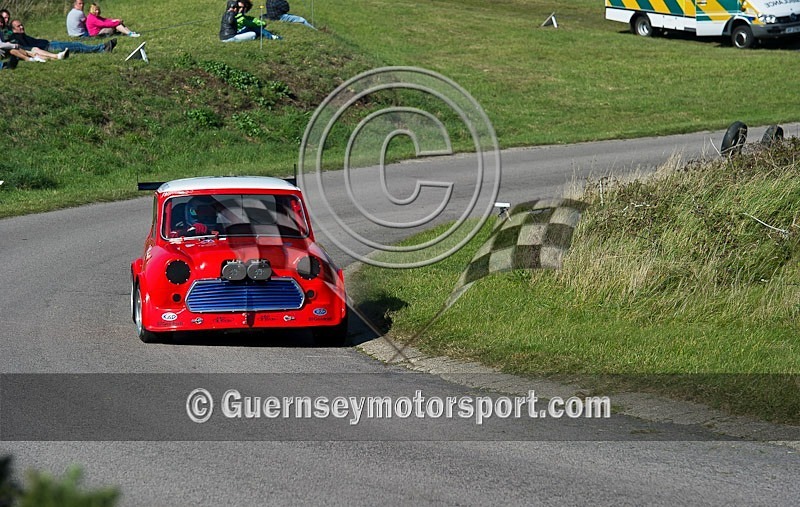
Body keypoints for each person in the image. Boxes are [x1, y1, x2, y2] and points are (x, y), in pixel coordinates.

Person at [10, 19, 116, 55]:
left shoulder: (22, 35)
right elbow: (26, 49)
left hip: (49, 43)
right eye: (18, 26)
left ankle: (101, 48)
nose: (22, 27)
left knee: (76, 44)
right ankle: (102, 48)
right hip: (48, 48)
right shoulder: (17, 38)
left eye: (21, 24)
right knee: (76, 48)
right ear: (13, 29)